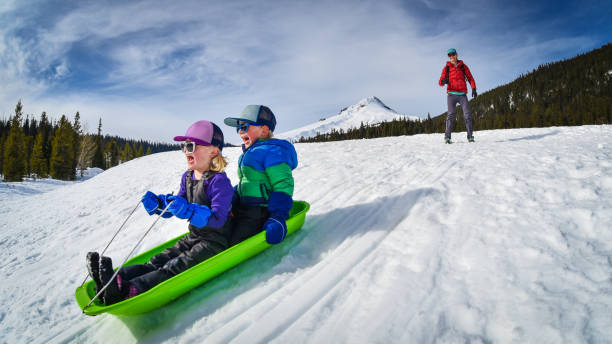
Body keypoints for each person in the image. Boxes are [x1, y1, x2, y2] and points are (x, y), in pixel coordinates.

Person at [86, 120, 233, 305]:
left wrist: (188, 210)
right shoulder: (188, 177)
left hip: (214, 243)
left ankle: (132, 289)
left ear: (213, 151)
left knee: (174, 267)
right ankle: (113, 279)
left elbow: (218, 218)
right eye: (184, 147)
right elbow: (176, 204)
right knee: (158, 260)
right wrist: (159, 204)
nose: (186, 152)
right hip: (194, 237)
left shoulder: (219, 182)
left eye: (191, 146)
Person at [223, 105, 298, 246]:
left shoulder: (273, 152)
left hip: (262, 212)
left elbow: (283, 186)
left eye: (244, 126)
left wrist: (278, 217)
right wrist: (230, 199)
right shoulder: (247, 154)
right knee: (221, 230)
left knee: (233, 240)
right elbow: (246, 183)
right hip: (243, 209)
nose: (240, 131)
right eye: (238, 128)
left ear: (264, 130)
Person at [438, 48, 477, 143]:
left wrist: (474, 88)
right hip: (451, 95)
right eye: (449, 55)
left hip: (463, 95)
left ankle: (470, 136)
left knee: (467, 115)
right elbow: (440, 82)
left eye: (453, 54)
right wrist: (443, 81)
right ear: (449, 57)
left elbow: (470, 78)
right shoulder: (446, 68)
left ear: (456, 55)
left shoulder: (463, 67)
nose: (451, 57)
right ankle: (447, 137)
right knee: (450, 115)